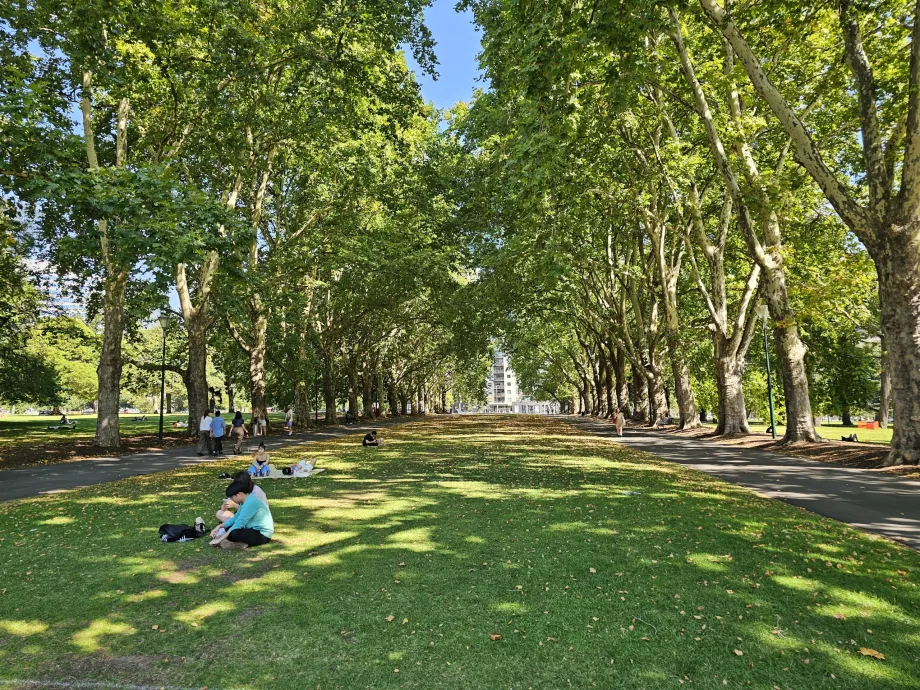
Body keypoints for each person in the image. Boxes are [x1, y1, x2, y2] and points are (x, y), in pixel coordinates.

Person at [210, 480, 274, 550]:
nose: (231, 499)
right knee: (229, 528)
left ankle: (239, 544)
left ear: (239, 494)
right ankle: (233, 541)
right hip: (251, 529)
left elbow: (239, 523)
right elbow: (235, 518)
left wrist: (219, 539)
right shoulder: (245, 501)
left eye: (232, 497)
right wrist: (219, 527)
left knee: (234, 533)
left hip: (262, 535)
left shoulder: (251, 503)